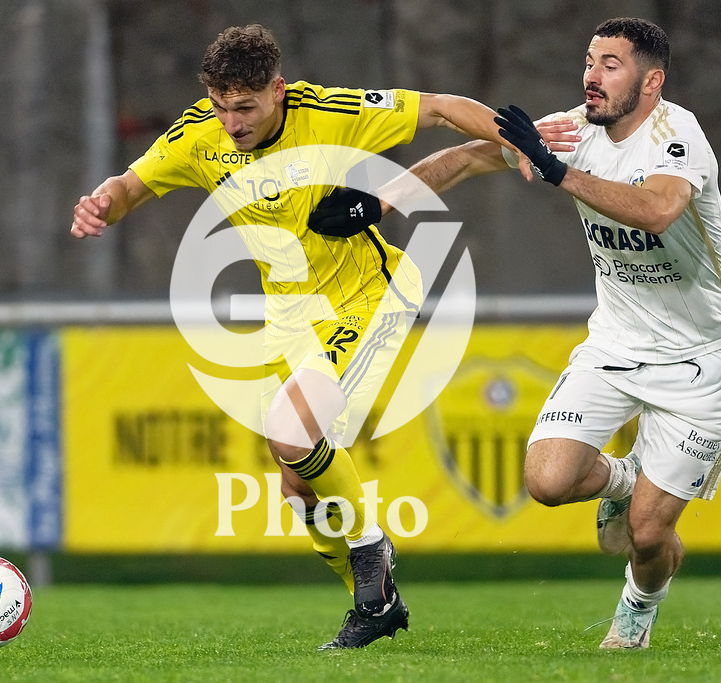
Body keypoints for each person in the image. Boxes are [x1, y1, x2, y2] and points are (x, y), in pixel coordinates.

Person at [70, 23, 574, 650]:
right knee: (297, 481)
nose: (232, 121)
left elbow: (442, 109)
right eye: (222, 106)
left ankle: (371, 554)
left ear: (278, 91)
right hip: (290, 321)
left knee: (291, 431)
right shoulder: (199, 135)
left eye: (245, 107)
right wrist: (101, 202)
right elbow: (129, 189)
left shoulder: (328, 111)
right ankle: (377, 602)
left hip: (367, 297)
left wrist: (515, 140)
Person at [312, 17, 721, 650]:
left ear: (652, 81)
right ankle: (624, 481)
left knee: (648, 536)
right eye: (589, 62)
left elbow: (657, 211)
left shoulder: (678, 135)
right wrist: (375, 203)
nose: (591, 77)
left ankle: (638, 605)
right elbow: (463, 158)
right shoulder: (571, 132)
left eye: (611, 65)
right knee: (546, 482)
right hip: (615, 346)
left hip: (701, 361)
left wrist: (553, 171)